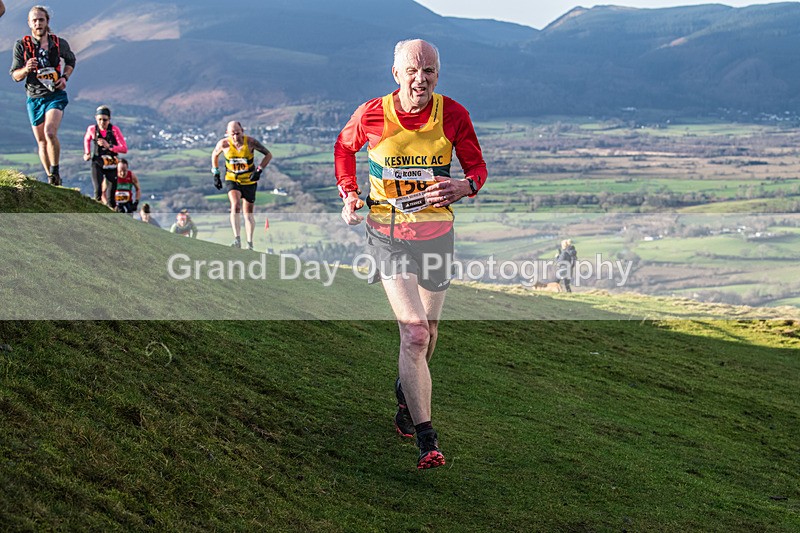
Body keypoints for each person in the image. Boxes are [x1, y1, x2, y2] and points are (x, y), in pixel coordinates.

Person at [334, 39, 487, 469]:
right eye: (413, 71)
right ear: (396, 73)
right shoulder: (372, 114)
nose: (422, 79)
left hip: (437, 235)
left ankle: (406, 395)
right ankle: (427, 439)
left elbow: (477, 169)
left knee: (430, 332)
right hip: (388, 233)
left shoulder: (454, 115)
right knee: (415, 333)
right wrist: (350, 194)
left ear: (438, 74)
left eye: (430, 71)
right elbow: (344, 148)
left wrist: (465, 186)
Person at [9, 6, 76, 186]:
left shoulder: (58, 43)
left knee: (49, 132)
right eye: (34, 20)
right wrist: (26, 69)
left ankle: (55, 169)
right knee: (41, 141)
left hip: (55, 95)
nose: (38, 23)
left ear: (47, 22)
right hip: (34, 97)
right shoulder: (22, 46)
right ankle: (52, 178)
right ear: (29, 23)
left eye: (41, 20)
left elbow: (71, 60)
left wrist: (64, 78)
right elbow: (15, 75)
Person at [211, 121, 272, 250]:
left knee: (248, 213)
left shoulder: (250, 142)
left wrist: (259, 170)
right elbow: (214, 155)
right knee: (235, 205)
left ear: (242, 131)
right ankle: (237, 240)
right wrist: (216, 173)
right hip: (232, 178)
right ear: (227, 133)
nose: (235, 137)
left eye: (237, 133)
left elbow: (268, 154)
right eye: (232, 134)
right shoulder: (224, 144)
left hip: (249, 180)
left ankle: (249, 243)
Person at [84, 105, 128, 207]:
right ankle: (96, 214)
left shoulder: (114, 130)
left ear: (109, 120)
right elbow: (87, 139)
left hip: (111, 165)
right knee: (98, 190)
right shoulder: (92, 129)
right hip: (98, 162)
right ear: (96, 118)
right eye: (99, 119)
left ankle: (112, 216)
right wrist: (87, 152)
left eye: (105, 120)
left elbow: (124, 148)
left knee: (111, 197)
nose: (102, 123)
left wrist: (109, 147)